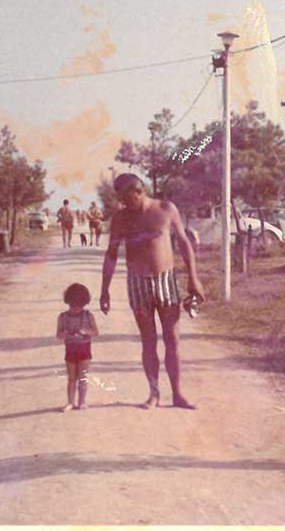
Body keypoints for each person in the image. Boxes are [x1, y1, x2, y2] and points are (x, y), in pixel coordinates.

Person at [100, 173, 205, 409]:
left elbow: (183, 243)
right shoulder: (120, 219)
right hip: (138, 284)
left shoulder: (166, 209)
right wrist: (104, 289)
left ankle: (177, 395)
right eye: (121, 199)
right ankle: (154, 394)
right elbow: (111, 254)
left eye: (127, 198)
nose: (124, 203)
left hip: (166, 281)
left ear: (139, 191)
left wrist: (194, 278)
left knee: (172, 340)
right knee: (148, 342)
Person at [56, 283, 100, 411]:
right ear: (68, 302)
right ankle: (70, 402)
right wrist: (64, 334)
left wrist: (87, 332)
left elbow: (96, 332)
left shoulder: (88, 316)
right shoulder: (62, 317)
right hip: (70, 350)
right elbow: (58, 334)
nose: (75, 308)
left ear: (84, 303)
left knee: (83, 378)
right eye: (72, 305)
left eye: (78, 305)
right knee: (71, 379)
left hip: (84, 351)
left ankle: (82, 401)